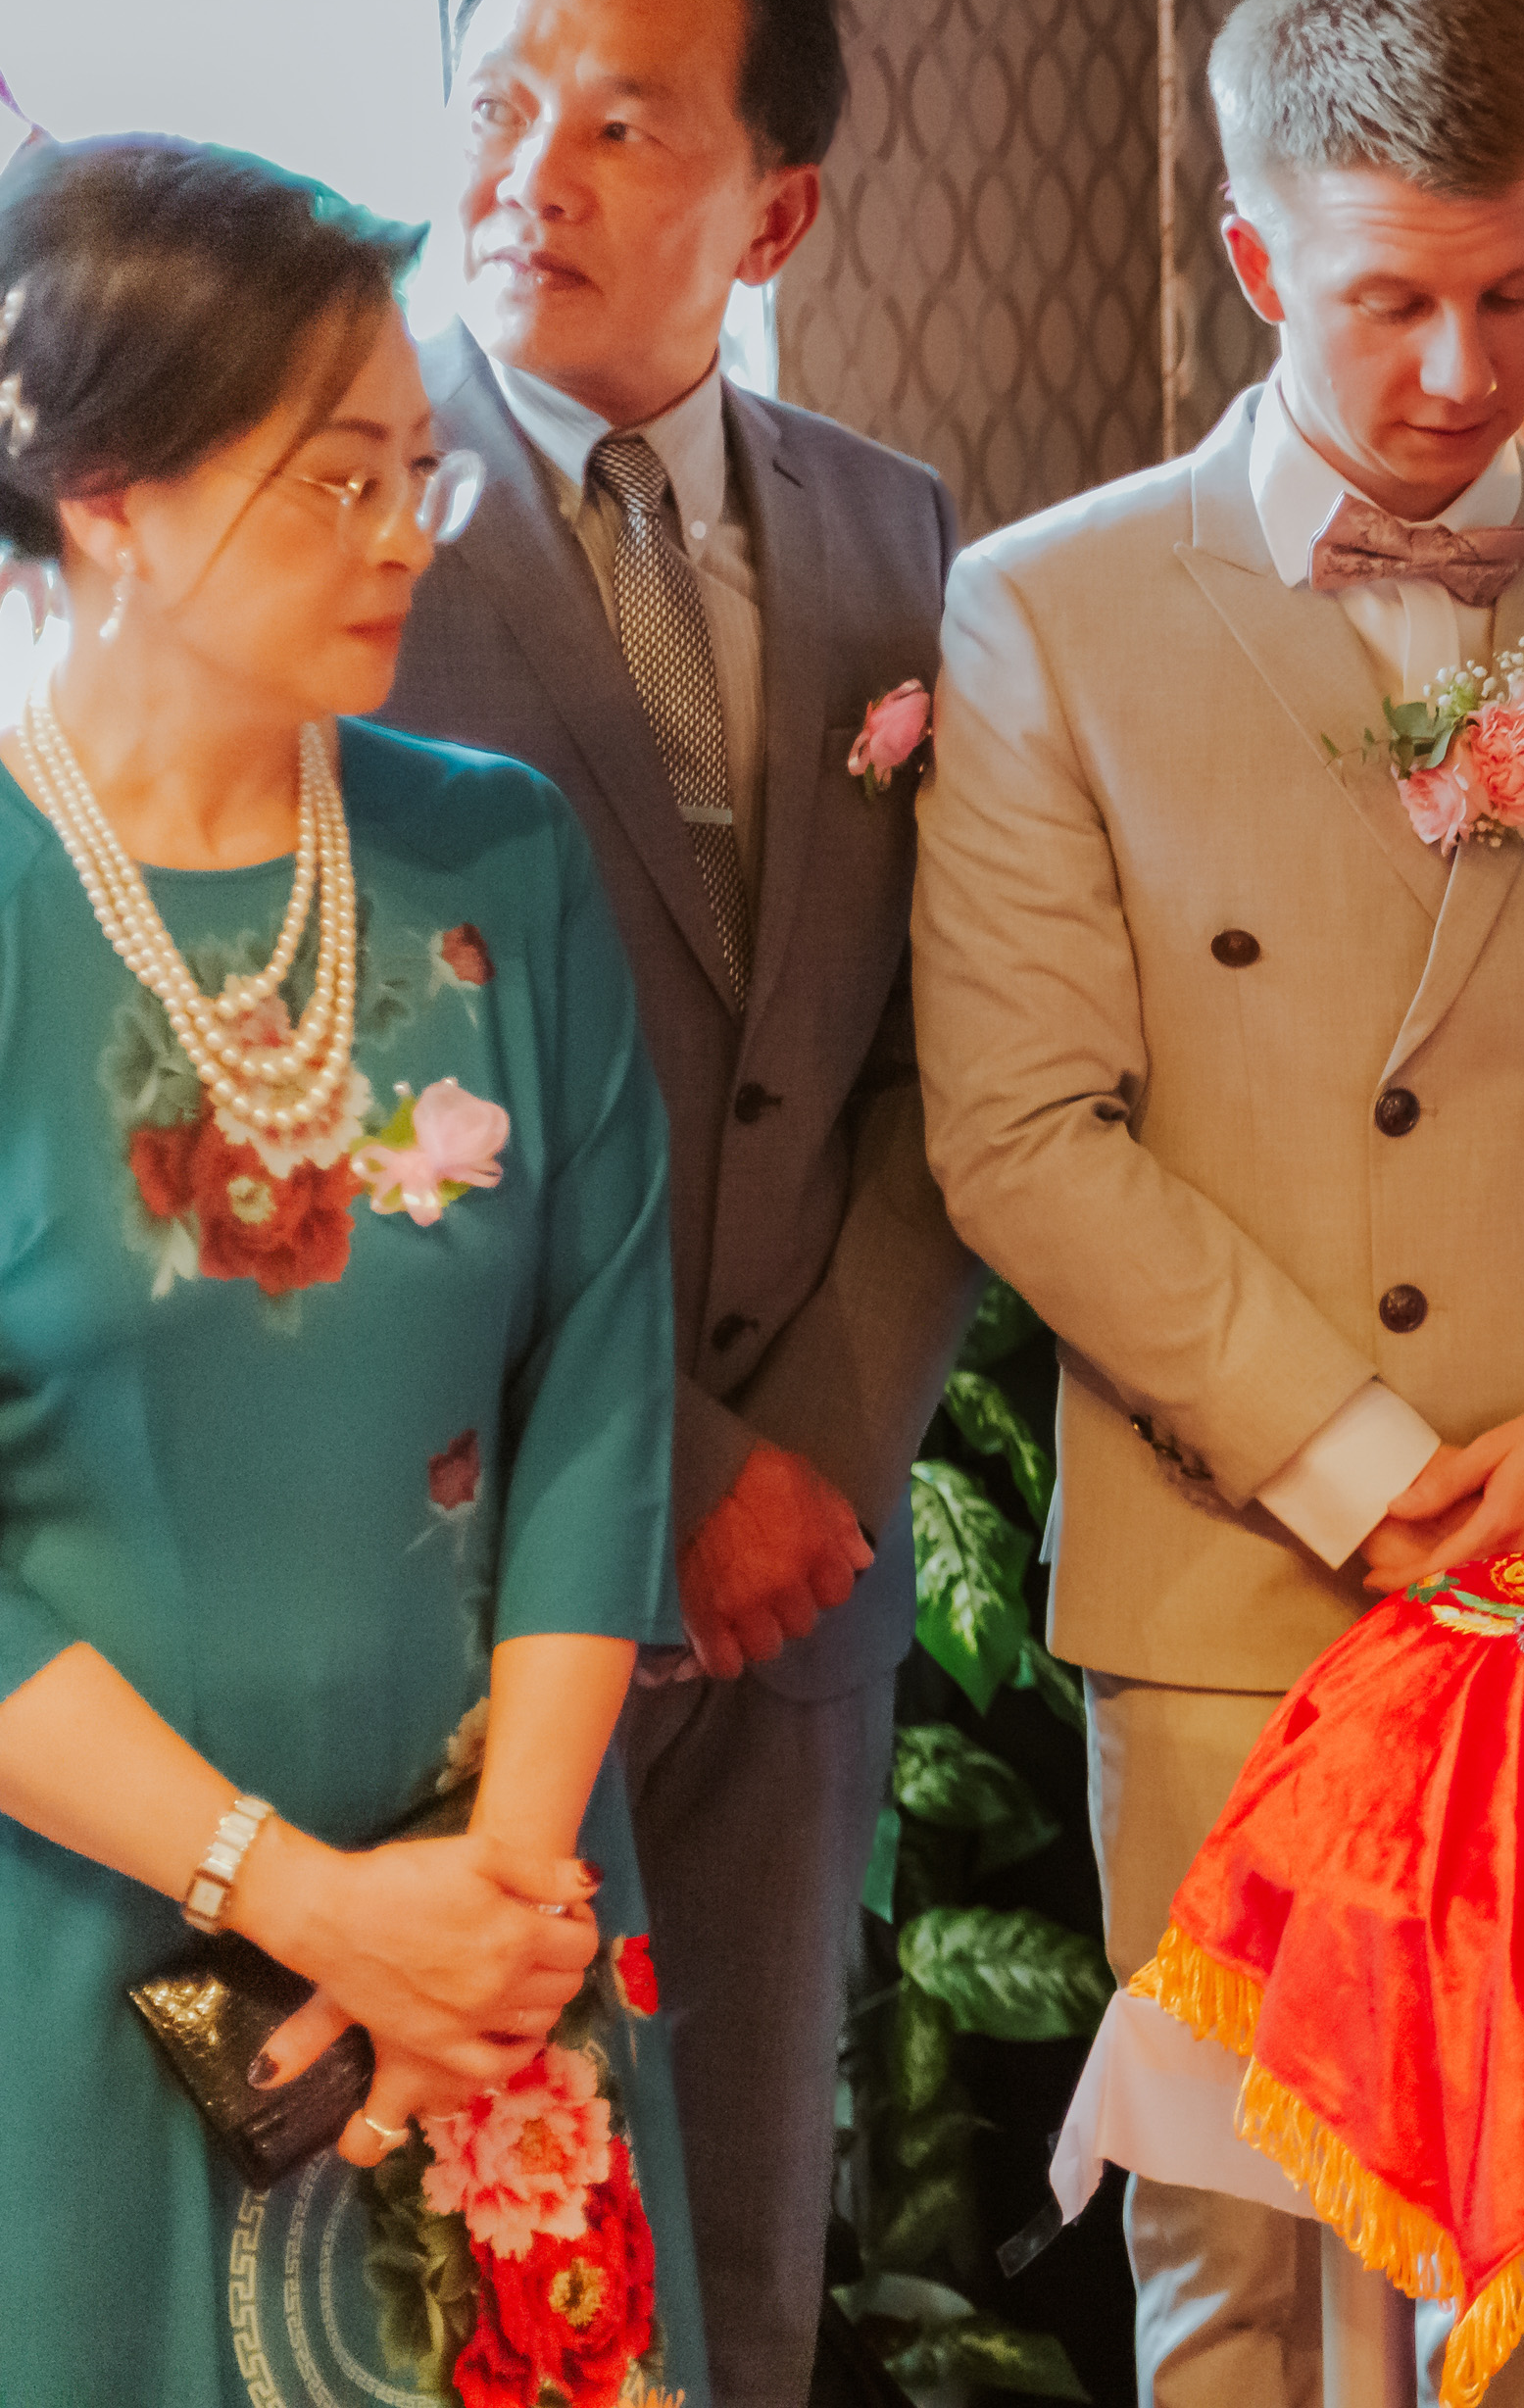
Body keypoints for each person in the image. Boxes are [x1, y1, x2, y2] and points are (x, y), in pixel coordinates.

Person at [913, 0, 1524, 2407]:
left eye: (1519, 295)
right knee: (1237, 2264)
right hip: (1232, 1568)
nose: (1464, 371)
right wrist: (1359, 1465)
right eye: (1392, 303)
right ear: (1258, 261)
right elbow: (1022, 1126)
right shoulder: (1050, 611)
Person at [0, 138, 706, 2404]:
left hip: (500, 1928)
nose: (407, 533)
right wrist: (306, 1906)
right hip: (82, 1933)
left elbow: (600, 1387)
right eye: (336, 481)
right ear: (109, 495)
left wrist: (488, 1912)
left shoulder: (492, 850)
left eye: (421, 473)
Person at [376, 0, 975, 2408]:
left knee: (750, 2238)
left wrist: (811, 1455)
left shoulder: (894, 532)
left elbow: (949, 1049)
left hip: (800, 1577)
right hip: (467, 1537)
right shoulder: (343, 516)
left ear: (778, 210)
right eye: (500, 107)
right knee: (456, 2271)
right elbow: (343, 1082)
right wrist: (682, 1473)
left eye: (622, 124)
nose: (534, 173)